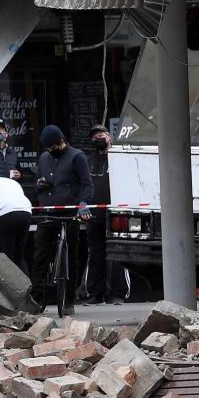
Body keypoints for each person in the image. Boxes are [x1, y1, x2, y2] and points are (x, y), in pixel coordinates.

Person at [32, 125, 94, 317]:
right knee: (40, 255)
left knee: (72, 257)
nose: (50, 151)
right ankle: (37, 297)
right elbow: (39, 182)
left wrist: (83, 203)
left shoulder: (77, 157)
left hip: (69, 214)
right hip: (49, 211)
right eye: (47, 149)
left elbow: (87, 184)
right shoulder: (44, 158)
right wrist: (40, 184)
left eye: (53, 147)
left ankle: (69, 300)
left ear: (61, 142)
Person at [84, 125, 125, 305]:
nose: (98, 139)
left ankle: (117, 294)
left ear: (109, 137)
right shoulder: (87, 161)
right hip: (94, 215)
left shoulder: (119, 159)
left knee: (117, 255)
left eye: (101, 135)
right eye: (94, 137)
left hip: (116, 214)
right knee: (95, 255)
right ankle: (95, 295)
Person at [0, 176, 32, 275]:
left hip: (5, 212)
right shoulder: (11, 182)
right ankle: (26, 287)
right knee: (19, 255)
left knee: (6, 256)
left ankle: (10, 288)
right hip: (25, 210)